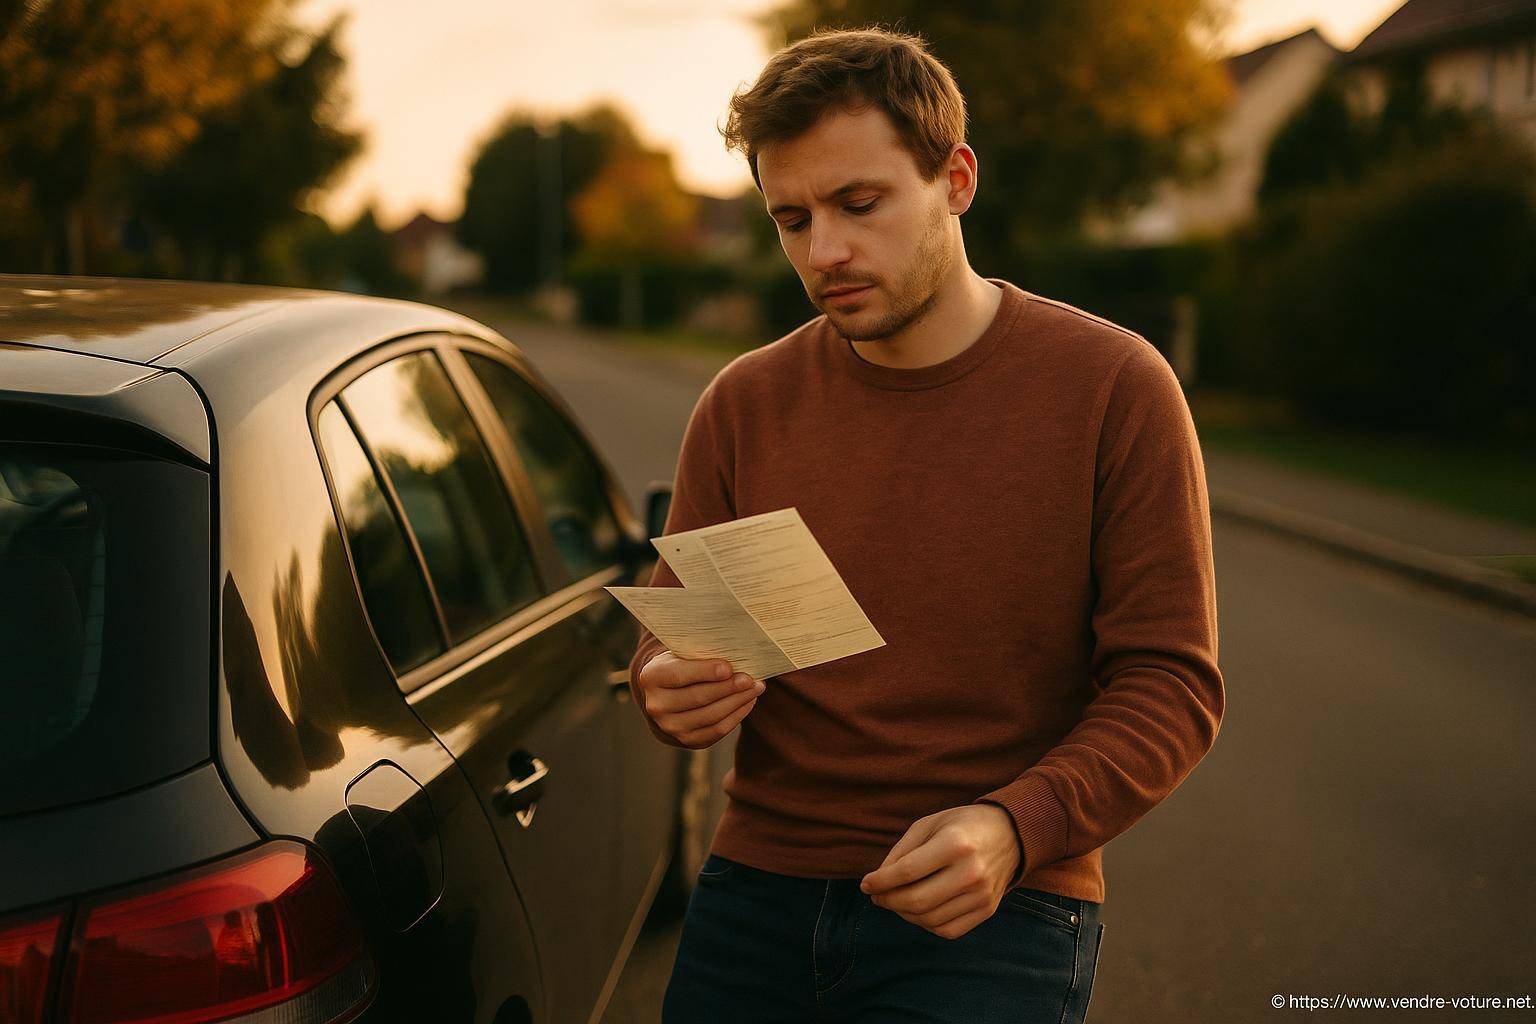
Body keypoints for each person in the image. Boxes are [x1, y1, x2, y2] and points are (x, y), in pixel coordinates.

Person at [627, 25, 1225, 1024]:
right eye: (791, 219)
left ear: (956, 178)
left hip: (998, 901)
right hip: (756, 890)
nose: (824, 251)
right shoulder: (745, 402)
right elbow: (670, 636)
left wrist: (1012, 827)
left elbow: (1172, 684)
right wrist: (668, 684)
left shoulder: (1114, 388)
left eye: (859, 204)